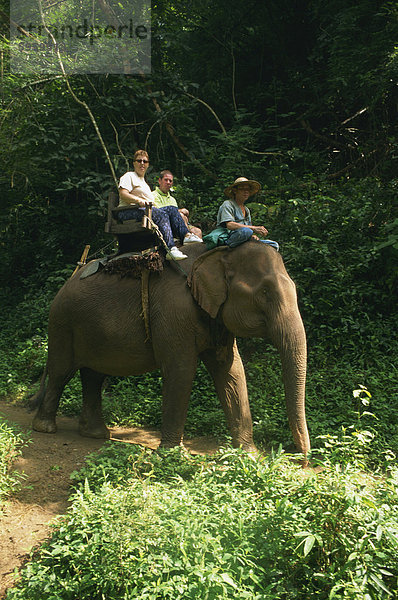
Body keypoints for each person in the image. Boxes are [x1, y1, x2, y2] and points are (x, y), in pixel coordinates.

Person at [118, 150, 200, 260]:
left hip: (143, 212)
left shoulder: (144, 183)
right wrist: (138, 200)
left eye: (145, 161)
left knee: (171, 209)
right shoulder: (129, 176)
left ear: (148, 164)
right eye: (139, 161)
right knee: (160, 214)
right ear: (134, 163)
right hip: (127, 212)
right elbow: (123, 194)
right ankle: (171, 249)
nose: (142, 163)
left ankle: (186, 236)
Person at [203, 177, 279, 251]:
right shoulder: (228, 204)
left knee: (274, 244)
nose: (246, 192)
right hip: (230, 236)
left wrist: (253, 236)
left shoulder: (246, 210)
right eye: (242, 189)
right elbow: (229, 225)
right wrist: (254, 228)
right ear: (235, 191)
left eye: (248, 189)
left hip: (244, 237)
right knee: (246, 231)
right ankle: (227, 245)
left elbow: (248, 226)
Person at [152, 170, 203, 240]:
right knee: (181, 215)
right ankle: (186, 237)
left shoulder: (172, 199)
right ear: (159, 181)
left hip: (179, 224)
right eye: (166, 180)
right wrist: (180, 211)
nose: (168, 183)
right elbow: (158, 212)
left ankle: (192, 245)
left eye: (170, 181)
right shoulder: (153, 195)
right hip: (165, 224)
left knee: (197, 231)